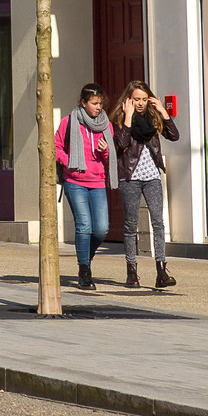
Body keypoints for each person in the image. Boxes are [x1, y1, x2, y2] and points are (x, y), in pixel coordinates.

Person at [113, 80, 179, 291]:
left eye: (143, 99)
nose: (140, 103)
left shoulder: (154, 117)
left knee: (158, 223)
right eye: (136, 99)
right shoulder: (120, 118)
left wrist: (163, 111)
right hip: (130, 177)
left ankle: (161, 270)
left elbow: (174, 136)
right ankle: (131, 271)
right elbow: (120, 144)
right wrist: (129, 117)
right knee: (131, 226)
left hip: (152, 176)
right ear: (128, 99)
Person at [55, 80, 116, 290]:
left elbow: (110, 158)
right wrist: (69, 161)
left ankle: (85, 258)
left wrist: (104, 150)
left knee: (101, 229)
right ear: (83, 103)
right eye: (94, 103)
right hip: (75, 181)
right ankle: (84, 271)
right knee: (84, 226)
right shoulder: (69, 122)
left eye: (100, 103)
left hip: (97, 181)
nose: (98, 107)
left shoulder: (106, 125)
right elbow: (56, 147)